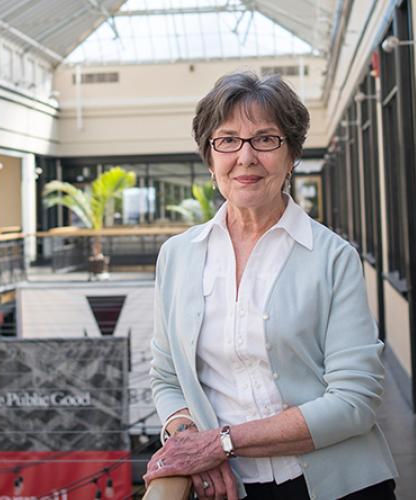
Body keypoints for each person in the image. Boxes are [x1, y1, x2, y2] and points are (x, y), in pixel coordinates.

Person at [144, 72, 397, 500]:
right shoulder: (177, 256)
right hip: (228, 489)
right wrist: (187, 441)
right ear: (210, 157)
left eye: (265, 139)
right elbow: (167, 377)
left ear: (291, 154)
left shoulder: (333, 257)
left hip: (340, 486)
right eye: (227, 140)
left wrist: (221, 442)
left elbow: (356, 400)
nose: (245, 157)